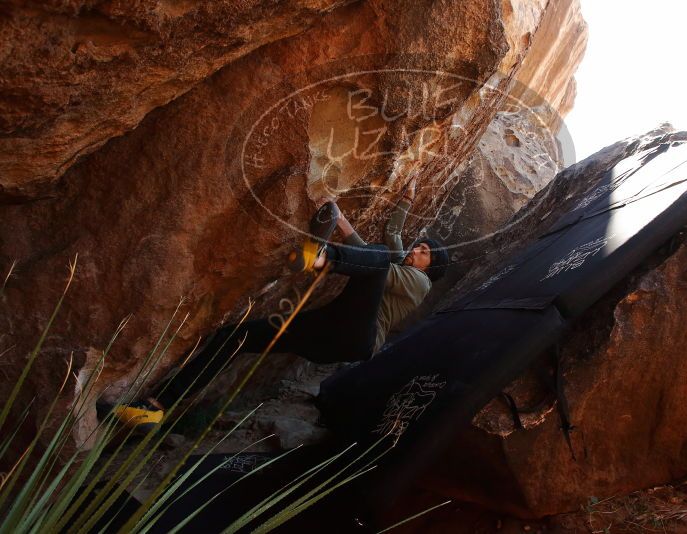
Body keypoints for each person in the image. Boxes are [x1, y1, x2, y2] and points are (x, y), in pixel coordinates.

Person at [111, 179, 449, 430]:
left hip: (358, 337)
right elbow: (392, 235)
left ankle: (320, 256)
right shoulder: (396, 264)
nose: (416, 250)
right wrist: (346, 214)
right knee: (237, 337)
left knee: (376, 257)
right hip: (327, 330)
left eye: (424, 253)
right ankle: (157, 406)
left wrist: (337, 248)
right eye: (418, 246)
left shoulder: (419, 283)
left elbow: (378, 259)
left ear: (430, 269)